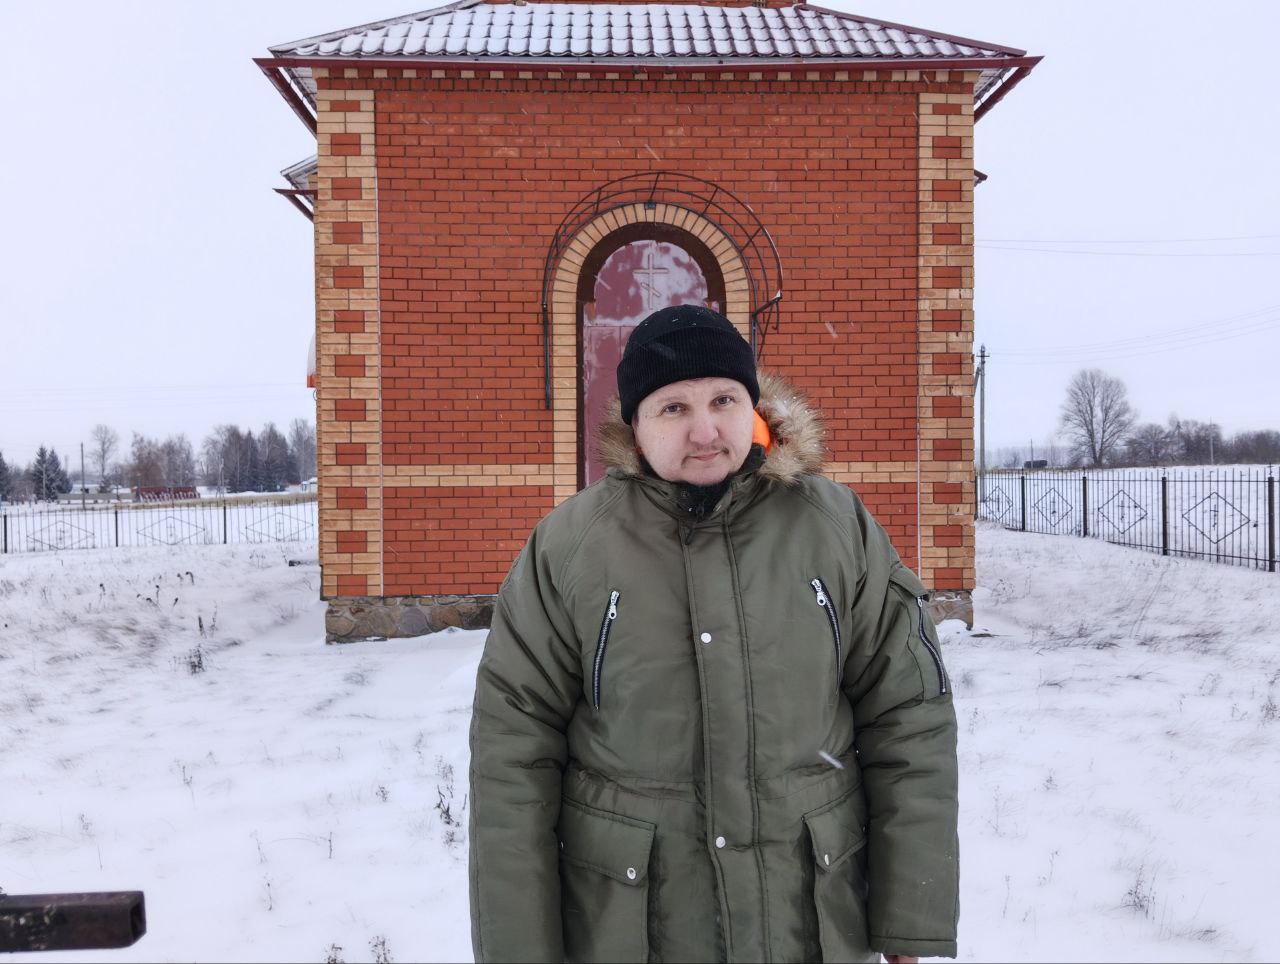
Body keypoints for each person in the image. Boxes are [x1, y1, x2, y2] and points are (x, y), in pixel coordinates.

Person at [469, 305, 958, 963]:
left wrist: (909, 916)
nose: (704, 431)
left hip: (812, 919)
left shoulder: (836, 527)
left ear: (752, 406)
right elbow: (512, 753)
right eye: (673, 408)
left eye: (723, 400)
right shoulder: (570, 546)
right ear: (635, 425)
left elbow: (909, 716)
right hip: (631, 925)